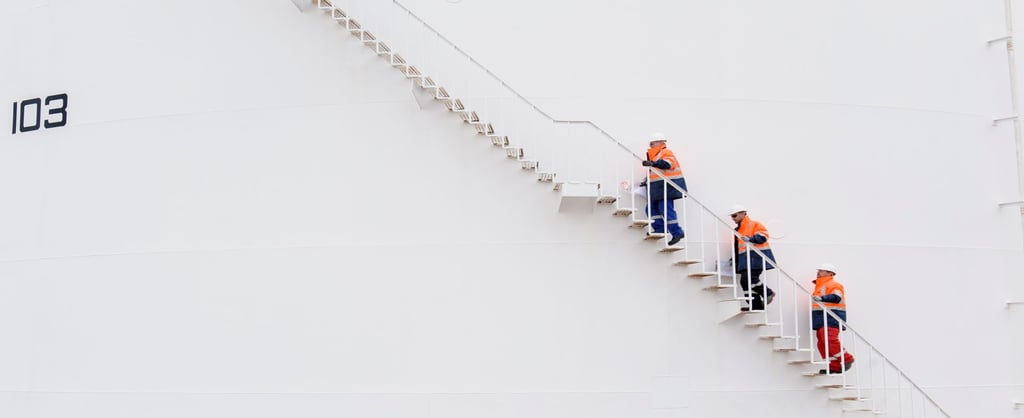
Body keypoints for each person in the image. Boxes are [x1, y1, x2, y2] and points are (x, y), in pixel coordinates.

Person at [641, 132, 687, 246]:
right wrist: (646, 181)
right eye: (650, 143)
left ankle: (677, 233)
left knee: (665, 209)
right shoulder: (654, 156)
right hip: (657, 188)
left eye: (652, 143)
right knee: (650, 208)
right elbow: (655, 172)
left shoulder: (666, 152)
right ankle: (660, 228)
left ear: (661, 142)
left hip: (666, 188)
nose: (650, 145)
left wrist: (653, 163)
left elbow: (668, 164)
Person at [730, 205, 776, 311]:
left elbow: (764, 236)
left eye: (734, 216)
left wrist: (751, 239)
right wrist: (734, 259)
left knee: (748, 278)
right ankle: (756, 305)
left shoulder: (754, 224)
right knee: (744, 282)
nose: (733, 219)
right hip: (745, 261)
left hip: (756, 259)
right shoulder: (737, 230)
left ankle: (768, 293)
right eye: (732, 216)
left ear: (743, 213)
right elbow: (738, 247)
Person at [811, 263, 855, 374]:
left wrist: (822, 298)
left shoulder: (834, 285)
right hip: (821, 318)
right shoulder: (818, 287)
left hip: (832, 317)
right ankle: (835, 366)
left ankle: (847, 358)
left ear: (830, 273)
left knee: (830, 340)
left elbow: (837, 297)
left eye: (821, 271)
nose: (818, 272)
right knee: (822, 344)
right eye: (818, 270)